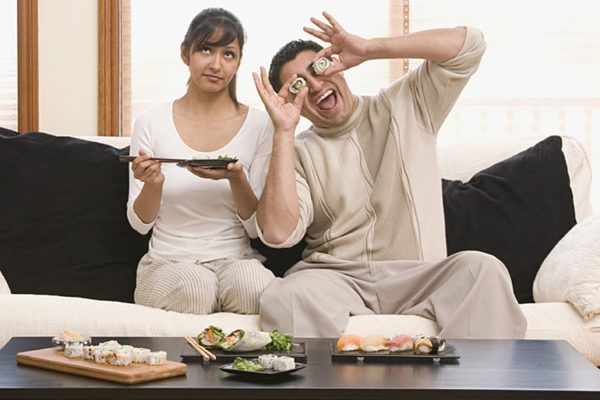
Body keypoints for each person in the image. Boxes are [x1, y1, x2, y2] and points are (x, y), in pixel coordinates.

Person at [253, 11, 527, 338]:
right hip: (338, 279)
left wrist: (369, 49)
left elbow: (470, 45)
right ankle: (336, 374)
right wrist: (283, 132)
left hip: (417, 275)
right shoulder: (297, 152)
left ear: (335, 64)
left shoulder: (405, 103)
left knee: (484, 270)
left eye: (318, 69)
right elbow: (278, 233)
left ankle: (462, 374)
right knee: (287, 297)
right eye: (298, 85)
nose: (315, 86)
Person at [127, 8, 275, 315]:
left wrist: (237, 179)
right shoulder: (150, 122)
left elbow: (255, 229)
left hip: (235, 259)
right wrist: (153, 184)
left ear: (238, 62)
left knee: (257, 290)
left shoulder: (260, 125)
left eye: (228, 54)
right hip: (168, 262)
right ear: (186, 53)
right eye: (206, 49)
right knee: (195, 287)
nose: (216, 64)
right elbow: (140, 224)